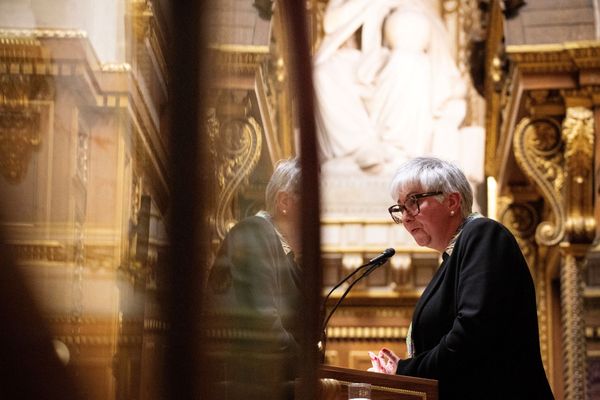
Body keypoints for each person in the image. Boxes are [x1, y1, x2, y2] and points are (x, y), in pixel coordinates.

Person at [368, 157, 554, 399]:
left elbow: (472, 332)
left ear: (452, 201)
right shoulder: (452, 258)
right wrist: (403, 372)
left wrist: (406, 371)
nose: (405, 217)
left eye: (413, 202)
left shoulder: (483, 234)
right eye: (400, 208)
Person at [314, 0, 466, 170]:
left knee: (410, 64)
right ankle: (359, 147)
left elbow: (425, 26)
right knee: (322, 74)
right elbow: (330, 23)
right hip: (349, 60)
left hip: (384, 60)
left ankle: (395, 149)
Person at [203, 158, 303, 400]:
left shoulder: (284, 253)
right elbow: (264, 324)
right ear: (285, 202)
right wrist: (310, 366)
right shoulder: (254, 232)